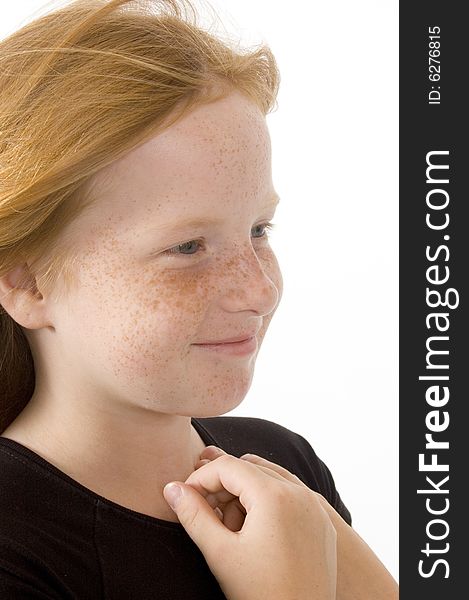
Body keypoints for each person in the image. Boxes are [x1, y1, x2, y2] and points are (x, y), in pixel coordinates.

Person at [0, 0, 398, 597]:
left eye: (259, 230)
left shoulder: (283, 471)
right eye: (187, 247)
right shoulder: (14, 553)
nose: (258, 290)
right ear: (28, 285)